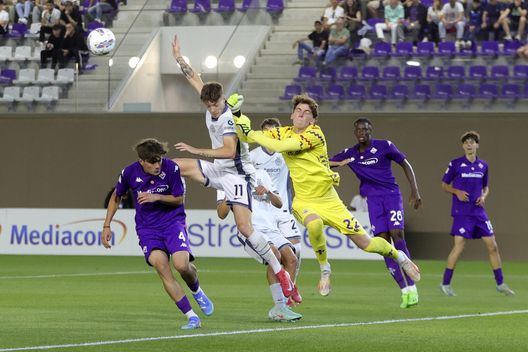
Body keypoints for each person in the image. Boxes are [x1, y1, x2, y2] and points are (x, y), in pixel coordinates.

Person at [234, 94, 421, 297]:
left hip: (330, 200)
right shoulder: (283, 132)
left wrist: (251, 132)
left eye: (306, 113)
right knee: (313, 224)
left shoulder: (315, 134)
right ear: (292, 114)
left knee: (367, 244)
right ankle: (325, 269)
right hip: (304, 200)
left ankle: (399, 255)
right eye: (298, 110)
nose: (301, 114)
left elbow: (278, 146)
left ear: (312, 120)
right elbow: (244, 136)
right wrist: (237, 115)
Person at [170, 35, 296, 299]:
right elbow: (194, 78)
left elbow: (228, 150)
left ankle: (280, 272)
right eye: (208, 105)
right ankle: (174, 207)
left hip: (238, 174)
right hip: (219, 169)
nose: (212, 109)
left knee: (244, 228)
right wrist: (179, 58)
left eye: (215, 104)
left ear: (223, 98)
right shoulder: (209, 100)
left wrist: (197, 150)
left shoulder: (228, 117)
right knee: (174, 166)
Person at [102, 138, 214, 330]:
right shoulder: (129, 172)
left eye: (159, 160)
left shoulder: (171, 168)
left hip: (172, 223)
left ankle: (197, 290)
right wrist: (106, 225)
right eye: (153, 162)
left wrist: (157, 197)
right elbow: (116, 196)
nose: (157, 165)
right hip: (147, 229)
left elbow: (179, 199)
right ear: (142, 161)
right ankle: (191, 316)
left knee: (182, 266)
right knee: (162, 268)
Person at [329, 118, 422, 308]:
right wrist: (337, 164)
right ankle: (404, 290)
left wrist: (415, 190)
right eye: (359, 129)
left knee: (397, 233)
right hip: (373, 201)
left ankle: (412, 285)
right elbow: (325, 162)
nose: (362, 132)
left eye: (366, 129)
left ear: (371, 131)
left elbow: (405, 164)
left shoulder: (384, 146)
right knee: (382, 243)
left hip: (391, 195)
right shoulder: (350, 153)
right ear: (355, 132)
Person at [216, 169, 302, 322]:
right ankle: (280, 307)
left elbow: (279, 203)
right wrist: (230, 193)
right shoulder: (225, 177)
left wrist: (268, 192)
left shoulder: (261, 173)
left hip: (272, 229)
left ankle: (281, 308)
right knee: (274, 255)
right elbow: (221, 214)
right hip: (250, 230)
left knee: (291, 259)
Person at [440, 131, 515, 297]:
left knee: (493, 246)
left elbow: (486, 187)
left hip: (479, 212)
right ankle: (445, 283)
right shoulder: (455, 164)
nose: (469, 144)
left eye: (472, 142)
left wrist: (483, 196)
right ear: (463, 145)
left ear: (477, 145)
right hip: (462, 212)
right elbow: (444, 185)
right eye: (466, 142)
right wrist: (456, 191)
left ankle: (500, 283)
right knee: (459, 246)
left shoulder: (483, 166)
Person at [245, 115, 303, 302]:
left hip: (283, 208)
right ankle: (283, 296)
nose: (270, 136)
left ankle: (290, 290)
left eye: (274, 132)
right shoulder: (252, 157)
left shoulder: (286, 153)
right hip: (264, 212)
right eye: (266, 133)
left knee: (296, 252)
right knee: (277, 256)